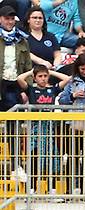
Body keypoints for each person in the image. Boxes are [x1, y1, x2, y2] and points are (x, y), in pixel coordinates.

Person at [16, 65, 69, 193]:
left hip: (49, 127)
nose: (43, 79)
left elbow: (67, 79)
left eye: (45, 76)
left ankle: (53, 189)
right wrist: (32, 72)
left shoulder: (53, 90)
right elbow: (19, 78)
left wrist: (50, 71)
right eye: (40, 76)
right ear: (34, 78)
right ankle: (32, 188)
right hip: (35, 127)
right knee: (34, 157)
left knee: (52, 158)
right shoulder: (31, 90)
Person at [0, 5, 31, 111]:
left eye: (12, 19)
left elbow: (28, 65)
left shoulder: (22, 39)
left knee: (14, 116)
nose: (10, 22)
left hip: (16, 83)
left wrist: (28, 89)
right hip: (2, 81)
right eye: (6, 19)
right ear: (0, 19)